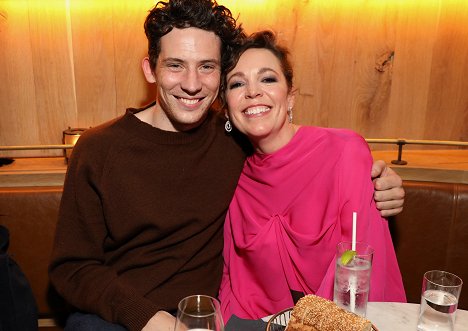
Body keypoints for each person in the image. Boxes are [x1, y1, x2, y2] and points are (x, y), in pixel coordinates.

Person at [48, 1, 404, 331]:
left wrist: (380, 184)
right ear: (150, 69)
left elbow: (299, 162)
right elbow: (72, 268)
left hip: (204, 315)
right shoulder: (99, 149)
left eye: (207, 67)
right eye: (175, 65)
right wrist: (150, 319)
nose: (191, 84)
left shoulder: (233, 140)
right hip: (119, 316)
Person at [218, 30, 407, 322]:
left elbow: (356, 256)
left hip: (340, 320)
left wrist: (308, 323)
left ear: (290, 97)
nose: (252, 91)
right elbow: (230, 274)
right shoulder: (233, 174)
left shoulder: (344, 152)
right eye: (237, 83)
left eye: (268, 79)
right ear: (228, 109)